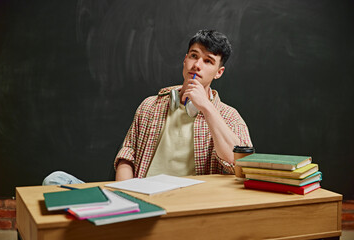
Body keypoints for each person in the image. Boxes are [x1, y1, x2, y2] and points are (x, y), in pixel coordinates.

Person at [42, 29, 252, 185]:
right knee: (55, 180)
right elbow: (127, 157)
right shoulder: (151, 105)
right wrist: (125, 193)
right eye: (194, 56)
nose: (197, 65)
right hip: (139, 198)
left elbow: (238, 163)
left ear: (219, 72)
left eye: (208, 61)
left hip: (185, 205)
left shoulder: (228, 116)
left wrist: (206, 107)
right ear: (185, 59)